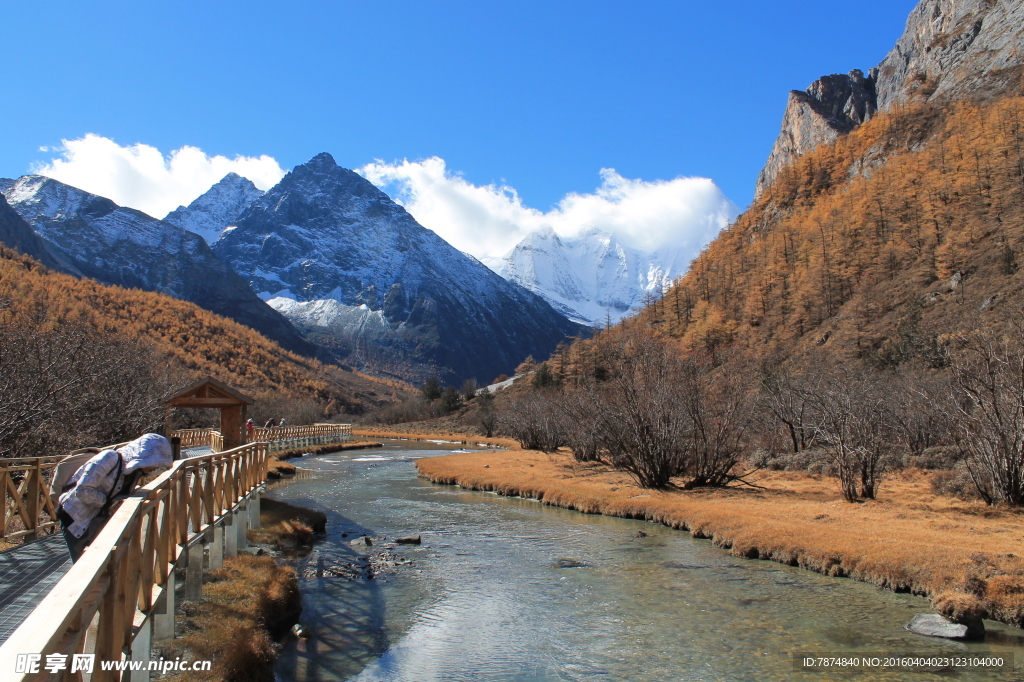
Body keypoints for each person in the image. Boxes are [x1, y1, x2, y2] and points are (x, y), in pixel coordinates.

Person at [57, 433, 173, 562]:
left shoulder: (135, 472)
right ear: (145, 456)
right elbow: (83, 490)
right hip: (75, 518)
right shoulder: (109, 458)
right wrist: (108, 503)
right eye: (156, 462)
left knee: (99, 562)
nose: (156, 468)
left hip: (96, 518)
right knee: (82, 564)